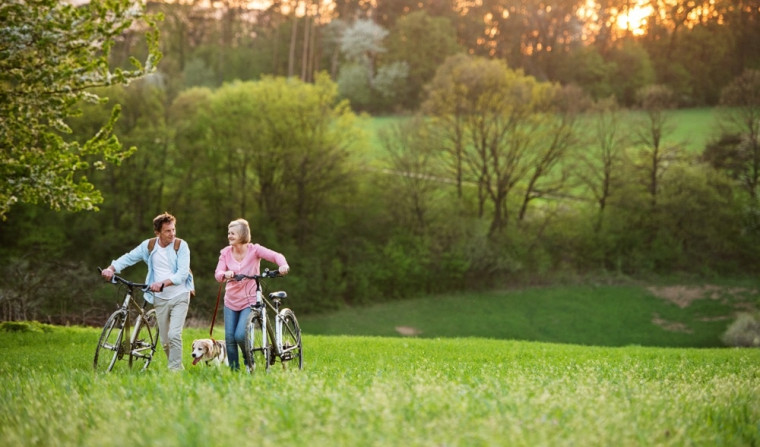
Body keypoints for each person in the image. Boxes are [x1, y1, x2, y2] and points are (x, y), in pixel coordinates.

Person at [101, 212, 194, 372]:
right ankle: (178, 367)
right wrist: (111, 268)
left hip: (180, 295)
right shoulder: (150, 246)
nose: (172, 234)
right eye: (167, 231)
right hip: (160, 298)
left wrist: (162, 283)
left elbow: (182, 274)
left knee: (174, 335)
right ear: (158, 233)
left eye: (173, 229)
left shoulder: (181, 246)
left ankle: (175, 372)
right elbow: (129, 257)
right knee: (165, 341)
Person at [214, 218, 289, 371]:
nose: (229, 235)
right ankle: (235, 372)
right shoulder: (225, 253)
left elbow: (276, 256)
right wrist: (225, 273)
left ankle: (249, 363)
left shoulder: (255, 250)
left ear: (242, 234)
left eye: (232, 233)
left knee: (240, 335)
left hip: (250, 299)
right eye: (228, 232)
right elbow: (218, 273)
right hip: (231, 300)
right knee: (229, 339)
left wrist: (283, 265)